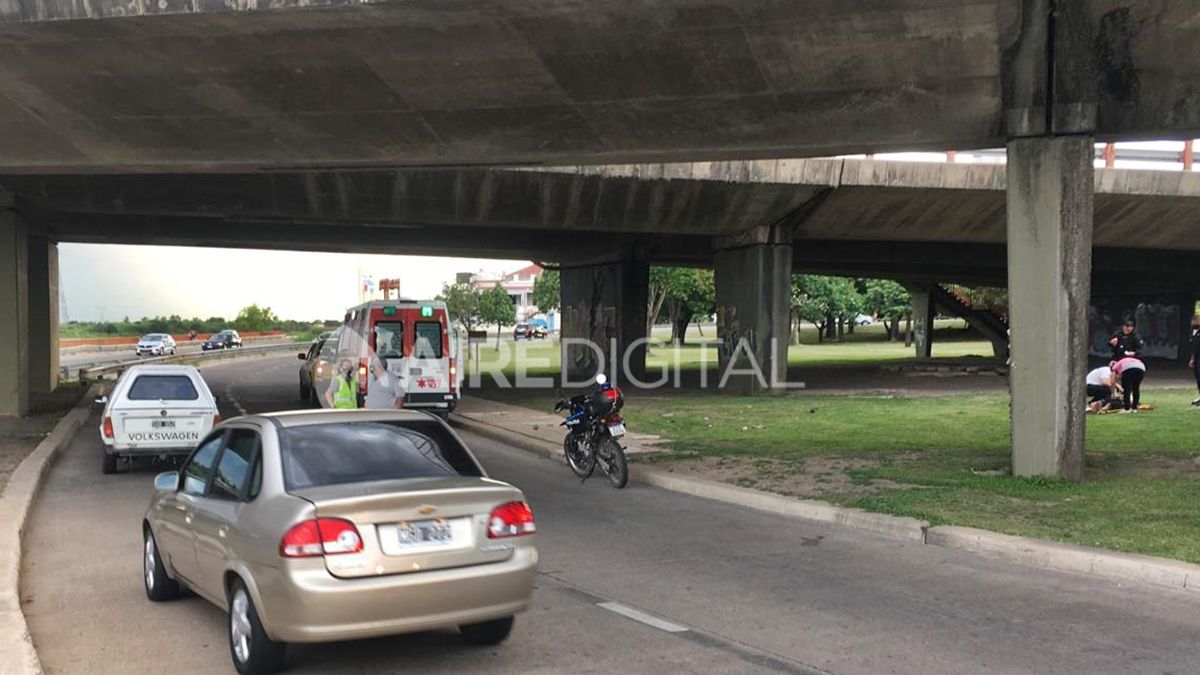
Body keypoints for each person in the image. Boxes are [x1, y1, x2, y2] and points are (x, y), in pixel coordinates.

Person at [1189, 314, 1200, 407]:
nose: (1193, 323)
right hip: (1196, 358)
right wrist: (1192, 359)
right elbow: (1194, 347)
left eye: (1195, 321)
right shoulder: (1195, 332)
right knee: (1198, 377)